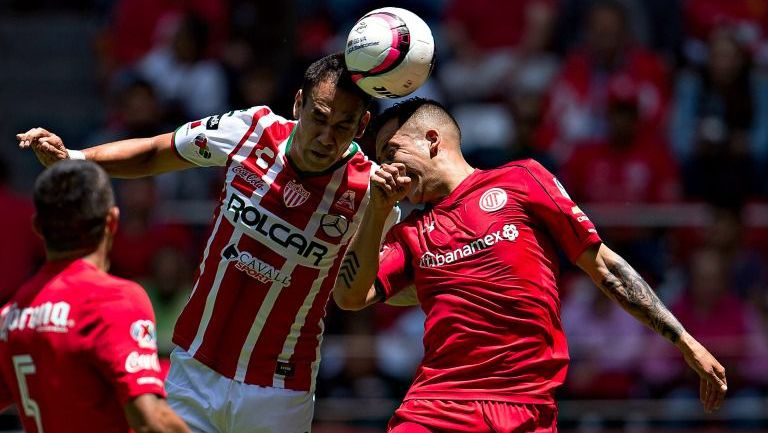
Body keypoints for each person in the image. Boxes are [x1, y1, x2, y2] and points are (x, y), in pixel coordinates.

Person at [17, 53, 385, 433]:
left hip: (279, 390)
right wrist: (75, 157)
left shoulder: (372, 193)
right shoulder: (250, 128)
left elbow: (358, 292)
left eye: (342, 126)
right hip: (193, 369)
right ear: (298, 103)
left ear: (362, 126)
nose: (326, 138)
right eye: (319, 118)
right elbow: (156, 152)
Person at [334, 98, 728, 433]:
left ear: (432, 140)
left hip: (525, 410)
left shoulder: (521, 180)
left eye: (391, 153)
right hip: (436, 407)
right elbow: (351, 297)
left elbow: (606, 268)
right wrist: (378, 210)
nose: (387, 168)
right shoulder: (412, 232)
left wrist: (685, 341)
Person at [0, 160, 189, 433]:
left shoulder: (11, 315)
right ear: (112, 221)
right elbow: (151, 421)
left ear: (38, 227)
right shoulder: (115, 299)